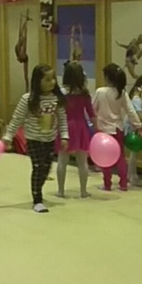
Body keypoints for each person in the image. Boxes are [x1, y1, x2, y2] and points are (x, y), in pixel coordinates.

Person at [3, 65, 69, 213]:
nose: (51, 82)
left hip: (50, 139)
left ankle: (38, 188)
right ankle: (37, 199)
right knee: (38, 167)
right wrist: (8, 136)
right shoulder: (28, 99)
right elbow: (17, 119)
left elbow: (62, 118)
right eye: (47, 79)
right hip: (34, 139)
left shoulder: (57, 99)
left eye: (53, 79)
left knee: (46, 168)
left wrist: (65, 136)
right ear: (38, 81)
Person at [93, 64, 142, 191]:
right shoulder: (122, 93)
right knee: (120, 157)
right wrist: (138, 125)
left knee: (105, 159)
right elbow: (130, 110)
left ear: (107, 77)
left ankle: (107, 184)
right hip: (118, 129)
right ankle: (123, 183)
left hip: (104, 131)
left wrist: (93, 123)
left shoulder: (100, 92)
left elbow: (93, 109)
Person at [56, 62, 94, 198]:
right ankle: (83, 191)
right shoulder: (84, 93)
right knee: (82, 161)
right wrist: (97, 128)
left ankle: (61, 191)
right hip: (81, 126)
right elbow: (91, 113)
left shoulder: (61, 93)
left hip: (65, 126)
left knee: (62, 160)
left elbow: (57, 111)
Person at [15, 9, 32, 90]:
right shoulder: (19, 46)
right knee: (21, 35)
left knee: (26, 74)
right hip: (21, 53)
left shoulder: (21, 48)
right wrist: (23, 20)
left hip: (24, 57)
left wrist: (25, 21)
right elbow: (21, 31)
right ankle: (27, 88)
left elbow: (24, 32)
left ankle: (27, 87)